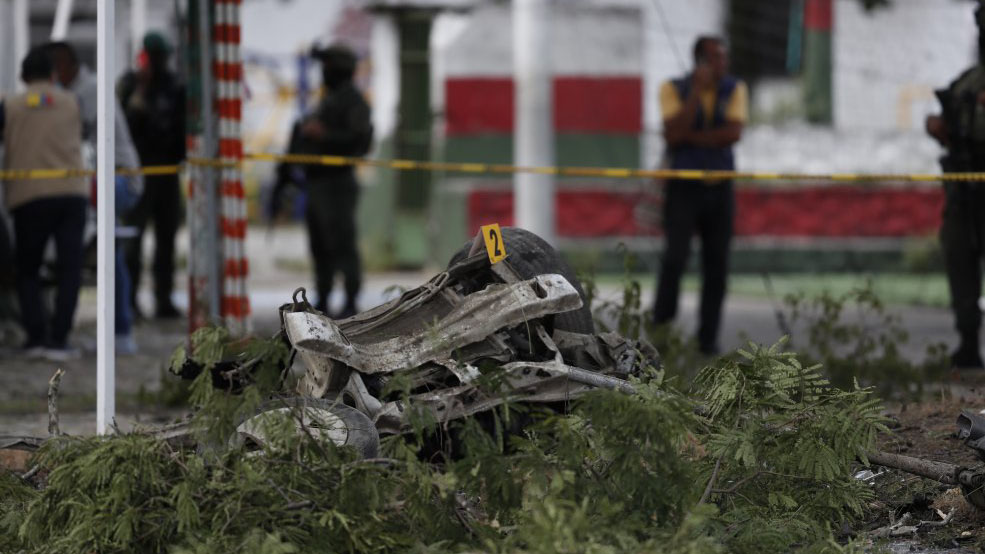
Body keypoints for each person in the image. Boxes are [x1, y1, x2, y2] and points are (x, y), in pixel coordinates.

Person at [652, 36, 748, 356]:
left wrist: (690, 138)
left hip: (720, 188)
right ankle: (662, 331)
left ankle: (707, 340)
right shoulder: (672, 88)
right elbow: (673, 133)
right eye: (717, 58)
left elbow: (733, 134)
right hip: (683, 187)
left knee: (717, 265)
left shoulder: (735, 89)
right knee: (674, 259)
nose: (724, 64)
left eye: (724, 57)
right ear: (701, 62)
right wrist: (695, 93)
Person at [47, 40, 142, 353]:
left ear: (66, 64)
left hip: (117, 179)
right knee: (105, 249)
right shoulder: (81, 88)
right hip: (105, 178)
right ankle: (118, 330)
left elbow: (76, 141)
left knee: (106, 251)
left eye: (54, 67)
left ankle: (121, 330)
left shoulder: (86, 91)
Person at [0, 47, 88, 361]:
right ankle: (60, 338)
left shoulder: (9, 105)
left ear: (24, 77)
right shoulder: (73, 102)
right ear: (53, 74)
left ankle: (36, 335)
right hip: (72, 192)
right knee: (70, 268)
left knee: (28, 268)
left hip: (29, 196)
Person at [274, 44, 372, 318]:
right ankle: (324, 295)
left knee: (342, 241)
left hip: (337, 183)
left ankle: (351, 298)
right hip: (316, 183)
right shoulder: (328, 99)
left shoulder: (354, 102)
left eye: (328, 67)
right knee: (320, 243)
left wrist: (324, 135)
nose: (323, 73)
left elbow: (359, 142)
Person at [925, 2, 985, 369]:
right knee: (960, 262)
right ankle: (968, 344)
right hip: (965, 194)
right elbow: (945, 125)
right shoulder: (969, 82)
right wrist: (937, 127)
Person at [118, 31, 186, 319]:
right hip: (139, 172)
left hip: (167, 173)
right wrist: (140, 94)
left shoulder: (174, 87)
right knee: (133, 240)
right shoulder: (130, 85)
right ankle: (130, 300)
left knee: (166, 241)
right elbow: (122, 129)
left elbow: (181, 129)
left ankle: (164, 300)